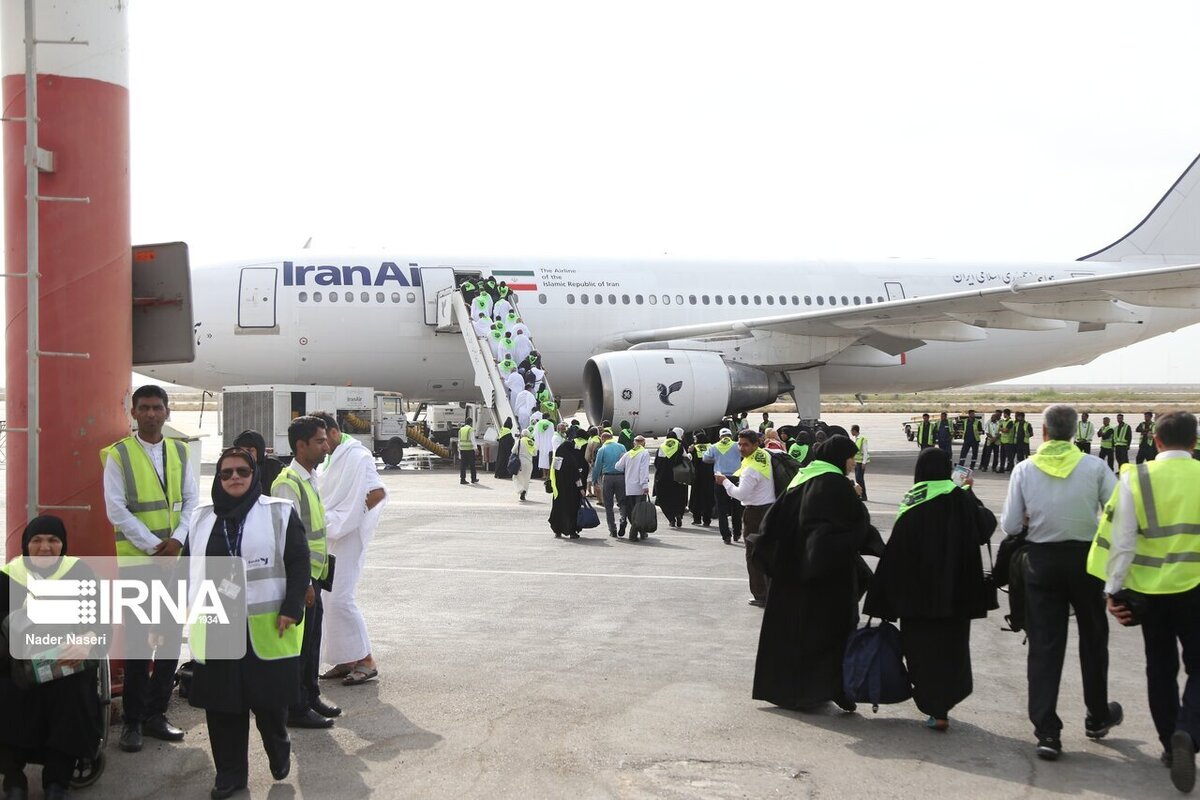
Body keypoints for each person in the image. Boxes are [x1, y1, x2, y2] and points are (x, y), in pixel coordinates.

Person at [999, 404, 1122, 761]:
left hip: (1041, 562)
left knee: (1045, 645)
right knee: (1094, 639)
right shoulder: (1095, 466)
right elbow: (1117, 510)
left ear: (1044, 431)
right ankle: (1097, 716)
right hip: (1086, 561)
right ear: (1074, 432)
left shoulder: (1024, 469)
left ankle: (1047, 733)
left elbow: (1009, 526)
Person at [186, 448, 309, 799]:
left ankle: (278, 742)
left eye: (242, 471)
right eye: (226, 473)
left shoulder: (278, 512)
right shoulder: (201, 518)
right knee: (222, 705)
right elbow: (187, 570)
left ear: (254, 475)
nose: (235, 478)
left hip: (266, 625)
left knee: (268, 702)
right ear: (218, 479)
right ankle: (230, 775)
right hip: (217, 623)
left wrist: (293, 605)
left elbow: (299, 561)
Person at [1088, 410, 1200, 790]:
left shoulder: (1136, 477)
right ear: (1195, 442)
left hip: (1151, 592)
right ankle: (1189, 731)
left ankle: (1170, 743)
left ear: (1156, 440)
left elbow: (1121, 542)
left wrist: (1112, 590)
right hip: (1197, 589)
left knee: (1160, 667)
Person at [863, 448, 997, 730]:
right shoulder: (960, 497)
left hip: (917, 599)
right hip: (956, 596)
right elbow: (985, 527)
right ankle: (945, 705)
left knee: (921, 651)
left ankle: (933, 707)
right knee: (952, 650)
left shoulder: (914, 499)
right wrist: (969, 493)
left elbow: (897, 551)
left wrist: (884, 595)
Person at [752, 436, 879, 711]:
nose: (852, 463)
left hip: (789, 575)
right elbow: (851, 525)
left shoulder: (801, 478)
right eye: (851, 458)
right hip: (824, 576)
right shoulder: (834, 484)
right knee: (830, 634)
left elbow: (771, 523)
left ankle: (786, 691)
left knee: (790, 634)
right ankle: (836, 689)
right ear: (840, 457)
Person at [102, 384, 195, 753]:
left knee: (170, 640)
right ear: (134, 412)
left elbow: (190, 501)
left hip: (174, 561)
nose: (152, 413)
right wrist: (155, 545)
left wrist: (177, 541)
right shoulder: (119, 456)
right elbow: (116, 510)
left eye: (158, 407)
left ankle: (158, 714)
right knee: (141, 644)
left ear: (167, 412)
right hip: (140, 563)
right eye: (145, 407)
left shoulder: (181, 452)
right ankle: (134, 721)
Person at [0, 516, 104, 800]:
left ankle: (57, 780)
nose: (44, 547)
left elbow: (100, 620)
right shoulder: (10, 574)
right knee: (6, 690)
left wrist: (88, 639)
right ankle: (13, 779)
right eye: (36, 540)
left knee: (73, 690)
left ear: (63, 544)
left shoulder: (79, 572)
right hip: (17, 661)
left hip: (65, 660)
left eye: (52, 540)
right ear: (26, 545)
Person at [271, 416, 341, 729]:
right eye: (320, 441)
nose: (327, 446)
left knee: (312, 641)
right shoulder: (288, 483)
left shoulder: (309, 478)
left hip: (314, 574)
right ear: (301, 446)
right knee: (299, 647)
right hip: (302, 578)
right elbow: (288, 539)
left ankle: (310, 695)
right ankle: (296, 708)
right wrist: (301, 585)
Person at [312, 413, 386, 688]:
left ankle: (366, 660)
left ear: (333, 432)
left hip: (348, 535)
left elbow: (377, 492)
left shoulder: (357, 455)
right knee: (328, 599)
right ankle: (345, 658)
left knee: (342, 598)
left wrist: (351, 517)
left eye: (323, 438)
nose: (322, 445)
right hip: (329, 534)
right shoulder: (332, 456)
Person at [716, 430, 776, 607]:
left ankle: (760, 594)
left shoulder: (750, 470)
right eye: (739, 444)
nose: (741, 448)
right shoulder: (763, 455)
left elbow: (741, 494)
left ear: (756, 445)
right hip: (770, 510)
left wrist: (724, 481)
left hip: (756, 513)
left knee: (753, 555)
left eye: (745, 445)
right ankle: (770, 591)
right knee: (767, 554)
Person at [704, 428, 743, 544]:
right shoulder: (737, 445)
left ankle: (726, 535)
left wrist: (716, 459)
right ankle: (737, 533)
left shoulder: (714, 446)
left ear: (720, 436)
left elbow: (705, 459)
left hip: (720, 479)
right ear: (730, 436)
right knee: (736, 508)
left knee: (722, 509)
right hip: (735, 478)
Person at [616, 436, 652, 540]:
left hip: (629, 488)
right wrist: (645, 484)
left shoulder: (628, 454)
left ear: (634, 443)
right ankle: (636, 533)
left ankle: (639, 532)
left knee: (632, 511)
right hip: (639, 487)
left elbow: (618, 466)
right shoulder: (644, 453)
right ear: (644, 443)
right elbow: (643, 469)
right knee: (640, 511)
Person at [548, 435, 585, 539]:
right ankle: (572, 531)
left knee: (559, 509)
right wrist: (581, 488)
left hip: (559, 490)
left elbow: (554, 473)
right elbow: (576, 476)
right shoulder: (572, 460)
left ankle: (558, 530)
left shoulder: (557, 459)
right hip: (571, 491)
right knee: (571, 510)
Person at [592, 431, 627, 536]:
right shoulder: (622, 447)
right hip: (621, 477)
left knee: (608, 505)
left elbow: (597, 466)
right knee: (622, 502)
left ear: (603, 439)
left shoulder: (602, 449)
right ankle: (623, 519)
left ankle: (613, 529)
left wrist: (594, 479)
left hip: (608, 477)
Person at [654, 428, 689, 528]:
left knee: (663, 498)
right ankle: (678, 514)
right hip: (677, 477)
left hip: (663, 477)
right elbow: (686, 458)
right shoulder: (680, 446)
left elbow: (657, 462)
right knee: (678, 497)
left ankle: (671, 519)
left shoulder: (661, 447)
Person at [232, 429, 285, 495]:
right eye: (240, 451)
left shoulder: (272, 466)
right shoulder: (234, 470)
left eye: (250, 451)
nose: (245, 455)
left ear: (259, 451)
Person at [689, 432, 715, 527]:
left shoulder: (695, 448)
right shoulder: (711, 447)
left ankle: (697, 519)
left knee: (697, 498)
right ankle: (707, 520)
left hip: (698, 477)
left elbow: (691, 460)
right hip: (709, 477)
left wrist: (690, 451)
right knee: (708, 498)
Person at [513, 428, 536, 501]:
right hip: (529, 463)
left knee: (516, 477)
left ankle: (521, 490)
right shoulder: (531, 442)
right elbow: (535, 453)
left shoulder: (519, 441)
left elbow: (513, 451)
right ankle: (524, 492)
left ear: (522, 434)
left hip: (520, 462)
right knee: (526, 478)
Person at [851, 424, 870, 501]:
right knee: (858, 479)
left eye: (851, 431)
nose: (851, 432)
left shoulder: (862, 439)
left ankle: (864, 495)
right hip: (857, 462)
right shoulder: (856, 439)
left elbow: (865, 451)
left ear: (855, 431)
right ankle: (859, 494)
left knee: (860, 479)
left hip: (861, 463)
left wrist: (864, 462)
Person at [458, 420, 479, 485]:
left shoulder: (461, 430)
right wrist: (476, 449)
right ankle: (473, 479)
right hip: (469, 449)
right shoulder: (470, 429)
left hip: (462, 449)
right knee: (472, 465)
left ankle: (462, 479)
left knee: (463, 465)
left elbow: (459, 440)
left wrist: (459, 450)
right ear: (470, 423)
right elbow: (473, 439)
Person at [998, 408, 1016, 472]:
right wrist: (1002, 429)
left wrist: (1001, 429)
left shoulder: (1010, 421)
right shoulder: (1004, 421)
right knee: (1002, 456)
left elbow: (1006, 430)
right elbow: (1000, 428)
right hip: (1003, 441)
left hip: (1008, 442)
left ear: (1006, 414)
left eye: (1004, 414)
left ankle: (1011, 468)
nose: (1003, 415)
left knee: (1009, 457)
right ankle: (1001, 468)